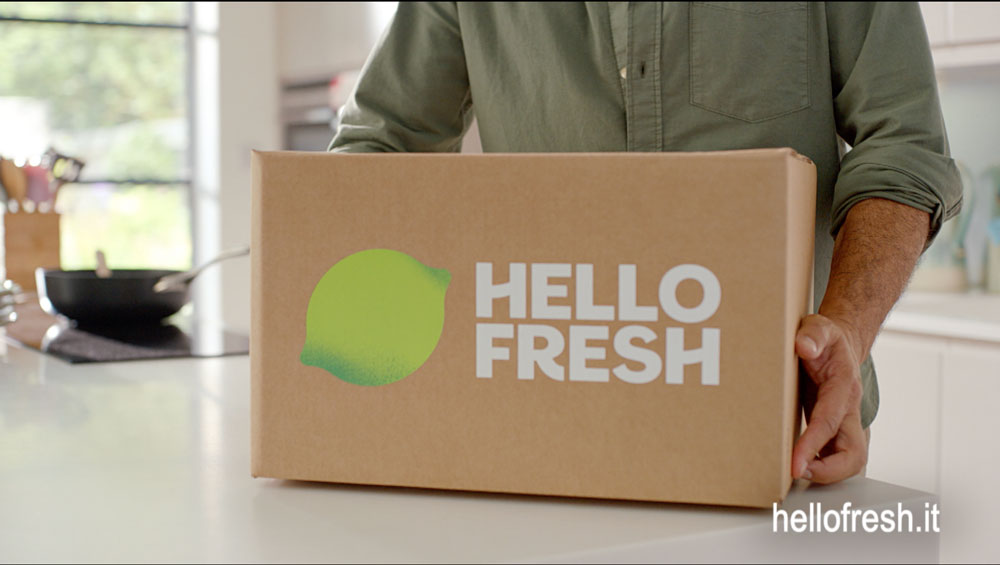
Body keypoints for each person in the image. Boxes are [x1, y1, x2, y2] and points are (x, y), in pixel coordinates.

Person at [328, 2, 962, 485]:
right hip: (538, 435)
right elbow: (376, 152)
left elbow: (903, 145)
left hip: (785, 441)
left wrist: (848, 328)